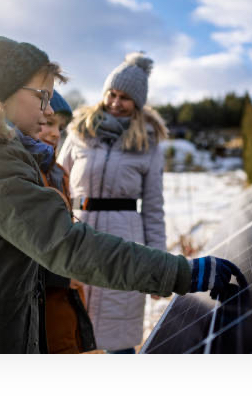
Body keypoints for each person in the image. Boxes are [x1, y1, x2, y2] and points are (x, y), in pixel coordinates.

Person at [0, 35, 247, 354]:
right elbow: (66, 244)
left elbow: (147, 207)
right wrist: (181, 272)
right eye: (41, 96)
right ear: (0, 91)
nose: (47, 110)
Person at [56, 52, 166, 354]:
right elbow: (57, 184)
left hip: (125, 240)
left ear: (138, 103)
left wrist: (158, 266)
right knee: (69, 330)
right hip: (77, 235)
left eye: (125, 98)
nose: (116, 102)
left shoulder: (149, 142)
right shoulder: (79, 132)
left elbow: (154, 209)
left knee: (117, 334)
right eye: (112, 94)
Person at [33, 91, 96, 354]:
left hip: (67, 303)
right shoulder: (19, 179)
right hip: (38, 311)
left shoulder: (59, 175)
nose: (56, 134)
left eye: (60, 127)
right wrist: (60, 276)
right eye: (46, 124)